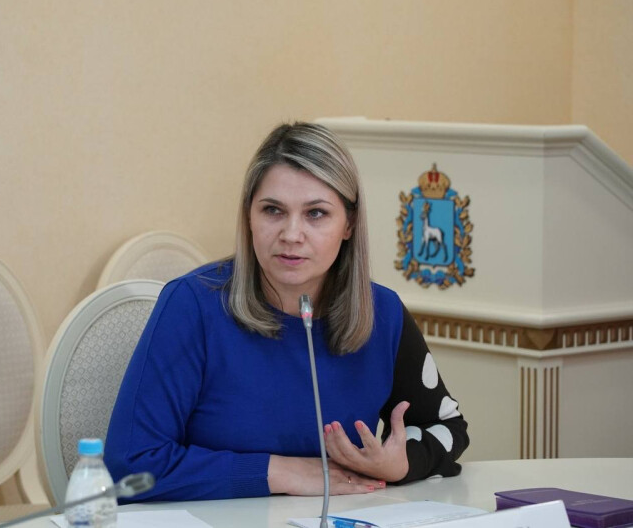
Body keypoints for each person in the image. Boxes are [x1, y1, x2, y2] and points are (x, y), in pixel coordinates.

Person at [104, 122, 469, 502]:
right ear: (249, 216)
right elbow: (130, 466)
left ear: (349, 223)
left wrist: (399, 465)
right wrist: (281, 472)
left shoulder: (383, 313)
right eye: (273, 210)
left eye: (316, 213)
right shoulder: (190, 306)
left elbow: (447, 427)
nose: (292, 234)